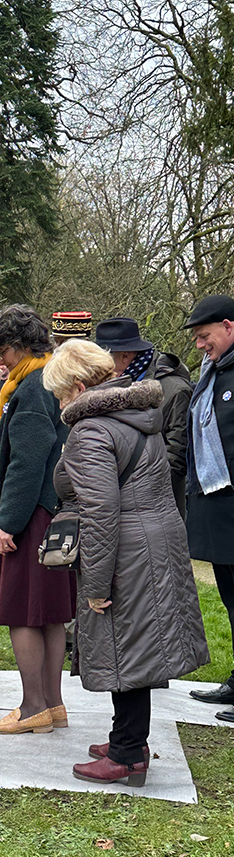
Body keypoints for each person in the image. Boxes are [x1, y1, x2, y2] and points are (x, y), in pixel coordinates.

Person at [43, 339, 209, 784]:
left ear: (78, 386)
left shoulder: (93, 430)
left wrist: (95, 584)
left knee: (125, 650)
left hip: (127, 548)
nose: (60, 402)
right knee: (137, 646)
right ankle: (127, 736)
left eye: (60, 393)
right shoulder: (138, 415)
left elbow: (100, 512)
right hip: (157, 537)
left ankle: (127, 752)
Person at [0, 305, 75, 734]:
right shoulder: (46, 380)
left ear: (20, 346)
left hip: (29, 521)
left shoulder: (31, 389)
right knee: (47, 613)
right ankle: (53, 704)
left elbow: (28, 464)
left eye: (3, 350)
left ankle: (32, 709)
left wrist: (7, 523)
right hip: (46, 515)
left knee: (23, 615)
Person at [181, 294, 234, 720]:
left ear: (229, 327)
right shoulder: (212, 373)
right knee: (232, 599)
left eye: (205, 336)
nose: (200, 345)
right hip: (218, 510)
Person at [95, 317, 192, 515]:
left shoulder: (175, 391)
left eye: (105, 359)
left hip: (157, 510)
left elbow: (175, 460)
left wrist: (133, 493)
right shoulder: (114, 386)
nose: (100, 366)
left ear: (125, 356)